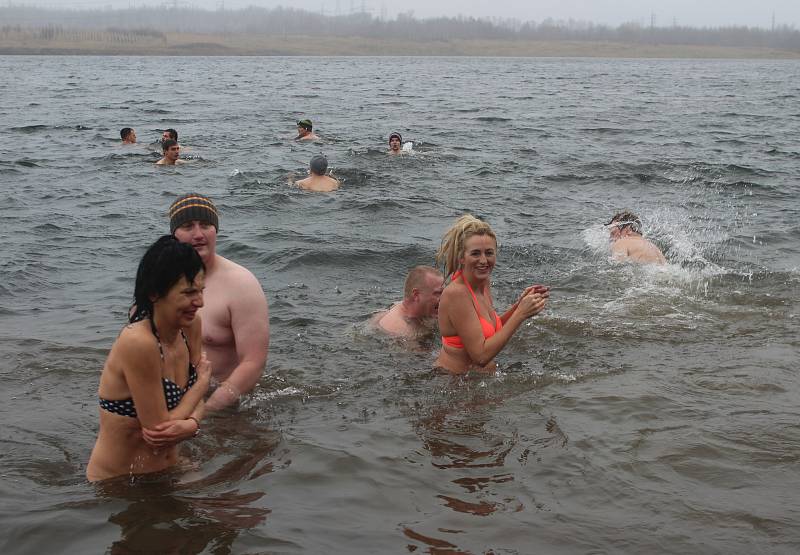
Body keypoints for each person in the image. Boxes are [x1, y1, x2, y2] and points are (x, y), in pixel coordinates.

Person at [86, 235, 210, 482]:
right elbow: (158, 431)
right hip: (120, 484)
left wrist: (192, 423)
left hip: (170, 471)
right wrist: (201, 385)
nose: (200, 302)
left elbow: (192, 407)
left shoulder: (191, 326)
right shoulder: (139, 342)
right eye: (188, 292)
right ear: (154, 293)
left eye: (200, 290)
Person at [169, 193, 269, 410]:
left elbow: (253, 362)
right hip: (175, 397)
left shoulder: (241, 285)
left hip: (227, 403)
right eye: (188, 226)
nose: (198, 234)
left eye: (205, 225)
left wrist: (208, 411)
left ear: (216, 230)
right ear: (173, 234)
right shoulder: (160, 282)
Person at [435, 214, 549, 375]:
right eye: (475, 253)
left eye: (489, 253)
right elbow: (480, 356)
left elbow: (490, 330)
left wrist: (519, 306)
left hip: (480, 382)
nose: (483, 260)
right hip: (457, 386)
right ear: (461, 257)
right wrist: (520, 315)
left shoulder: (482, 282)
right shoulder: (457, 294)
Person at [372, 266, 444, 338]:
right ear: (416, 294)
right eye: (438, 293)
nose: (444, 298)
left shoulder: (420, 314)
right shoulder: (401, 330)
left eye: (444, 292)